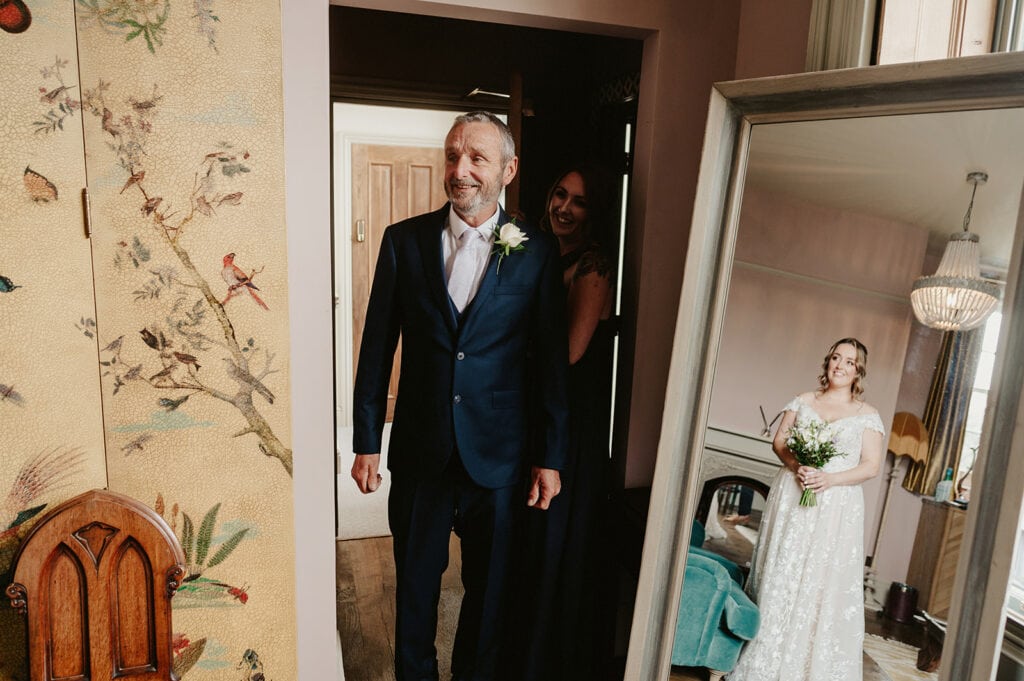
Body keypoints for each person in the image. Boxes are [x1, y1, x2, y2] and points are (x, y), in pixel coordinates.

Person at [351, 111, 569, 681]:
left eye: (476, 158)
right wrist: (366, 441)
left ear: (508, 170)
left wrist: (550, 455)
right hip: (422, 453)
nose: (461, 170)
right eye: (453, 156)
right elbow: (377, 348)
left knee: (488, 599)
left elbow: (550, 363)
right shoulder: (404, 242)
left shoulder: (536, 253)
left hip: (500, 459)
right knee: (415, 599)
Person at [728, 337, 885, 681]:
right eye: (835, 358)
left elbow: (871, 466)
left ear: (859, 371)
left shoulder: (867, 415)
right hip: (792, 495)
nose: (840, 366)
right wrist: (798, 464)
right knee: (783, 570)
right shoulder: (803, 400)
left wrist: (830, 479)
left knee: (820, 580)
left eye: (849, 361)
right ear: (827, 362)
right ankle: (765, 657)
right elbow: (779, 442)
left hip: (836, 506)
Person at [515, 165, 615, 681]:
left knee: (550, 540)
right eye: (560, 195)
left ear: (592, 214)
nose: (565, 208)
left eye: (579, 202)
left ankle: (540, 663)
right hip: (530, 408)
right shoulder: (532, 249)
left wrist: (506, 348)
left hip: (568, 418)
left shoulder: (592, 265)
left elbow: (570, 353)